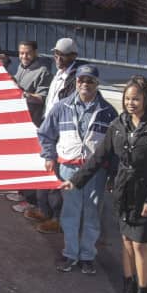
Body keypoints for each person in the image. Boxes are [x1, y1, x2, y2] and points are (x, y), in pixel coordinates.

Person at [61, 76, 147, 293]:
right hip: (124, 192)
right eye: (127, 98)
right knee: (126, 243)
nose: (131, 103)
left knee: (140, 244)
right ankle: (128, 288)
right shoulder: (117, 125)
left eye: (136, 98)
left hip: (146, 195)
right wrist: (76, 180)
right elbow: (98, 157)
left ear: (146, 100)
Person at [37, 64, 118, 275]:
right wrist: (49, 156)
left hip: (96, 171)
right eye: (81, 80)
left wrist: (112, 174)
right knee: (70, 213)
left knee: (92, 213)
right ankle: (70, 254)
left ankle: (87, 256)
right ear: (76, 81)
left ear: (97, 84)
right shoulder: (61, 107)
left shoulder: (108, 112)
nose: (85, 84)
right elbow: (46, 134)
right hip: (68, 169)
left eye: (90, 81)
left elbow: (115, 147)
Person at [30, 36, 88, 235]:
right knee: (47, 167)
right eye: (56, 54)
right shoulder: (60, 73)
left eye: (62, 55)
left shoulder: (76, 78)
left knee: (57, 173)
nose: (58, 58)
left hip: (61, 131)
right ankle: (44, 209)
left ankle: (57, 217)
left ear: (73, 56)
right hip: (48, 125)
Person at [6, 40, 54, 222]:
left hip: (33, 124)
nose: (24, 57)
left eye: (27, 53)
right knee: (19, 159)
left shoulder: (43, 72)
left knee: (31, 162)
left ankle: (31, 200)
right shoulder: (21, 67)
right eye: (21, 53)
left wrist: (23, 94)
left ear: (35, 52)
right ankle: (21, 190)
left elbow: (41, 99)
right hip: (19, 123)